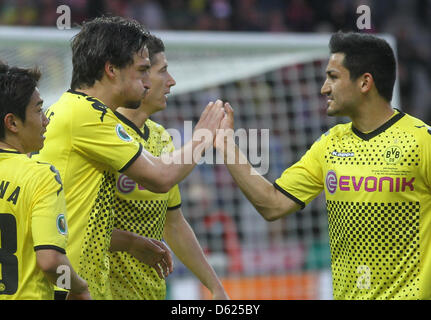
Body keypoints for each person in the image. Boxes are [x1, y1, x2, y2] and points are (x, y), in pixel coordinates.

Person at [214, 32, 431, 300]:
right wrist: (226, 145)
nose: (324, 88)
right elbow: (273, 205)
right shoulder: (329, 146)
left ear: (365, 83)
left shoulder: (422, 142)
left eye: (333, 77)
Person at [32, 16, 224, 300]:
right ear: (111, 70)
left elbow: (77, 217)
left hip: (84, 285)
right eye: (142, 71)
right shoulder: (86, 115)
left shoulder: (84, 113)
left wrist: (130, 242)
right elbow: (160, 178)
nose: (148, 83)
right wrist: (203, 137)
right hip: (67, 289)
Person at [109, 34, 229, 300]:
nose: (172, 81)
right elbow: (80, 225)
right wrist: (201, 140)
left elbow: (173, 223)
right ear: (138, 75)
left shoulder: (161, 136)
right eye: (162, 71)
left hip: (150, 292)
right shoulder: (102, 131)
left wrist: (215, 286)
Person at [0, 63, 91, 300]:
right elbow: (51, 262)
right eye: (39, 110)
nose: (46, 121)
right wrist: (79, 287)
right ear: (12, 123)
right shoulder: (40, 176)